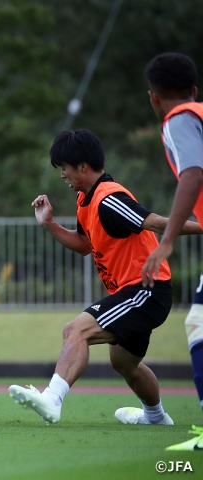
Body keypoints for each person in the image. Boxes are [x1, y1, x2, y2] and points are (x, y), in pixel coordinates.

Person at [8, 129, 202, 426]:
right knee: (125, 363)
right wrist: (48, 224)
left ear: (83, 167)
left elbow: (157, 223)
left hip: (147, 290)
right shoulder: (85, 200)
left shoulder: (108, 197)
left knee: (76, 331)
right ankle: (156, 417)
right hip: (133, 292)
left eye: (65, 168)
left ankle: (52, 399)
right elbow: (85, 246)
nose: (62, 175)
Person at [143, 52, 203, 451]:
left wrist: (166, 240)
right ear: (195, 90)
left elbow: (193, 172)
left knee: (199, 325)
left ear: (153, 98)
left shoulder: (178, 118)